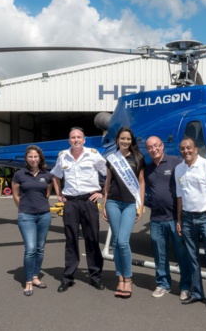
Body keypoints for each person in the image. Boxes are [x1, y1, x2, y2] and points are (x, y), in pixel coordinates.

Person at [144, 136, 206, 300]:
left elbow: (194, 161)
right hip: (157, 218)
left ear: (162, 146)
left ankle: (186, 286)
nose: (154, 149)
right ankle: (163, 284)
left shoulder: (176, 162)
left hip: (176, 217)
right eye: (150, 147)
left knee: (183, 254)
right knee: (160, 254)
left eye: (156, 145)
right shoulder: (148, 168)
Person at [51, 127, 107, 293]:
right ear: (69, 140)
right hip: (71, 203)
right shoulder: (63, 156)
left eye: (79, 137)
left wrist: (102, 192)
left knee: (92, 238)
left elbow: (107, 172)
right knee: (71, 239)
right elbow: (55, 175)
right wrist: (58, 194)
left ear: (84, 140)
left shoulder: (93, 154)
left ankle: (95, 276)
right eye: (73, 137)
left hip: (88, 201)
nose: (76, 140)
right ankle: (68, 277)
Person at [175, 137, 206, 315]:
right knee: (192, 258)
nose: (185, 151)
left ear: (195, 149)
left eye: (189, 148)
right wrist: (179, 219)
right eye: (182, 149)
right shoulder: (179, 169)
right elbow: (180, 196)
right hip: (187, 219)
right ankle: (196, 293)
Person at [103, 127, 145, 299]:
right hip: (113, 202)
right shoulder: (111, 159)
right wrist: (105, 203)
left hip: (129, 204)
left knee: (122, 241)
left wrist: (140, 205)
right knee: (116, 241)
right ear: (118, 140)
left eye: (128, 139)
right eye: (122, 138)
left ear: (132, 140)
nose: (125, 141)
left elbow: (141, 183)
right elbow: (107, 182)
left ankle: (127, 278)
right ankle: (120, 277)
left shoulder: (138, 158)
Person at [11, 145, 53, 296]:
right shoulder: (19, 175)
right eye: (30, 157)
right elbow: (15, 195)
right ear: (26, 158)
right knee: (30, 248)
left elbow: (47, 193)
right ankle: (28, 281)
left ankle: (35, 276)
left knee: (40, 247)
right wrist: (23, 208)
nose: (33, 159)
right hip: (26, 215)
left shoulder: (47, 175)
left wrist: (40, 205)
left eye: (36, 156)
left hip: (44, 215)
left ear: (40, 158)